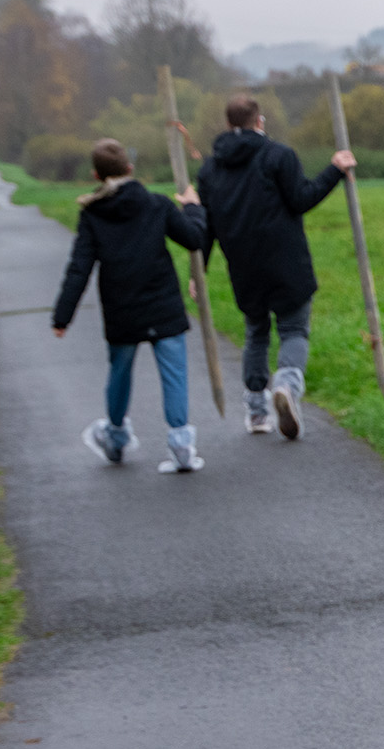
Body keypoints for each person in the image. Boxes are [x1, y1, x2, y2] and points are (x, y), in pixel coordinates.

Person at [197, 93, 354, 440]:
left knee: (256, 332)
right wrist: (336, 170)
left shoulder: (210, 168)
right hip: (286, 260)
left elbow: (205, 224)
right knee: (294, 329)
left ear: (227, 124)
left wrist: (200, 270)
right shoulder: (278, 155)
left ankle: (256, 413)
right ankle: (286, 383)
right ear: (260, 121)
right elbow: (302, 198)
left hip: (242, 264)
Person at [51, 138, 210, 473]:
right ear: (130, 168)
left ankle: (116, 436)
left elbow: (80, 267)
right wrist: (193, 207)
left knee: (120, 373)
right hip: (162, 304)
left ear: (96, 175)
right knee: (174, 373)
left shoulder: (92, 215)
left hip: (122, 308)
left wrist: (62, 316)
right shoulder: (158, 204)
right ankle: (181, 446)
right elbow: (193, 238)